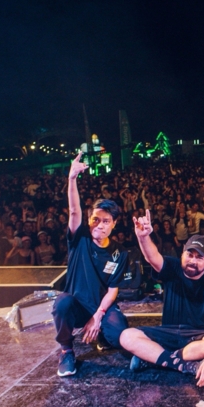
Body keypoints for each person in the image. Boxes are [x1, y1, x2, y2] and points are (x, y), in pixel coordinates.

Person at [119, 220, 204, 387]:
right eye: (190, 255)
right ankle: (183, 365)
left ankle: (154, 358)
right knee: (126, 336)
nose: (193, 261)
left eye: (199, 257)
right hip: (167, 332)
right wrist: (143, 237)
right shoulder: (172, 266)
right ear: (182, 253)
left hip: (195, 336)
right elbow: (152, 257)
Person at [53, 153, 130, 377]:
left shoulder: (119, 252)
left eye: (106, 221)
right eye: (95, 219)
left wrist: (98, 316)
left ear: (114, 224)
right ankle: (66, 350)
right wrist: (72, 179)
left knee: (119, 335)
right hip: (77, 306)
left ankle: (103, 334)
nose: (99, 225)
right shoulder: (80, 238)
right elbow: (74, 210)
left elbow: (113, 290)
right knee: (62, 303)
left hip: (100, 306)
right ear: (88, 220)